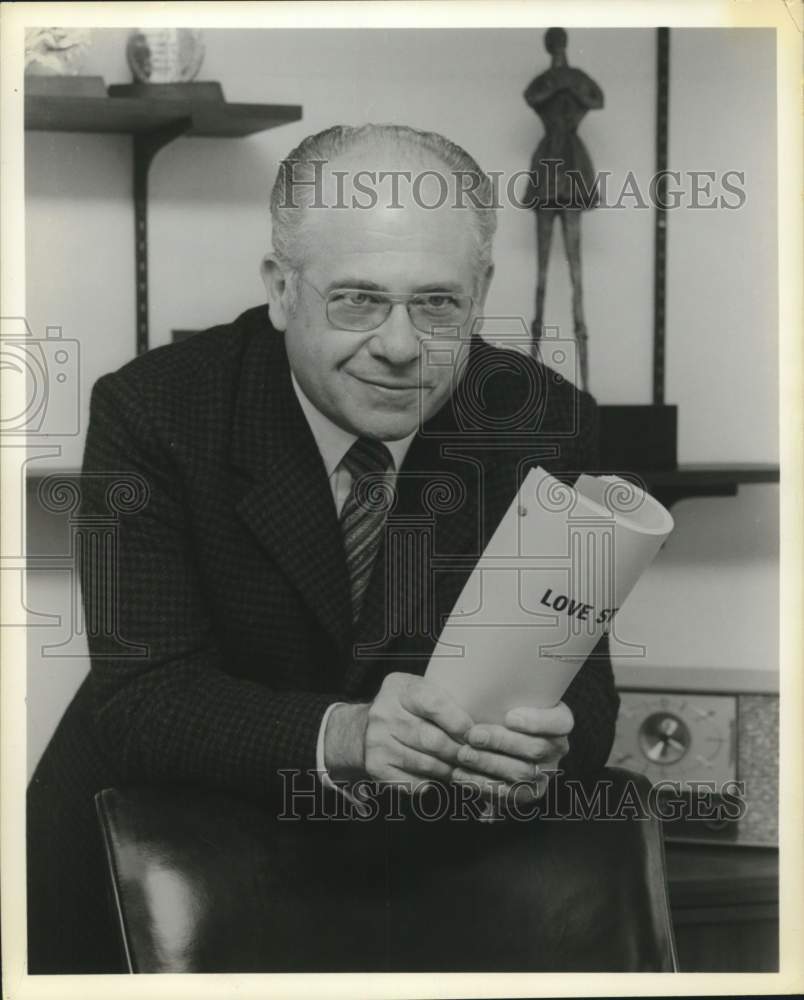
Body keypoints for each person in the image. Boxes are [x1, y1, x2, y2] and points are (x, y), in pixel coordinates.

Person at [27, 123, 619, 973]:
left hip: (408, 867)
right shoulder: (156, 412)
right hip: (144, 848)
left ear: (482, 290)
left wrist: (545, 747)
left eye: (438, 302)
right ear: (280, 290)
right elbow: (143, 699)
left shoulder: (540, 420)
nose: (402, 345)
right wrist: (342, 733)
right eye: (358, 300)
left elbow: (589, 697)